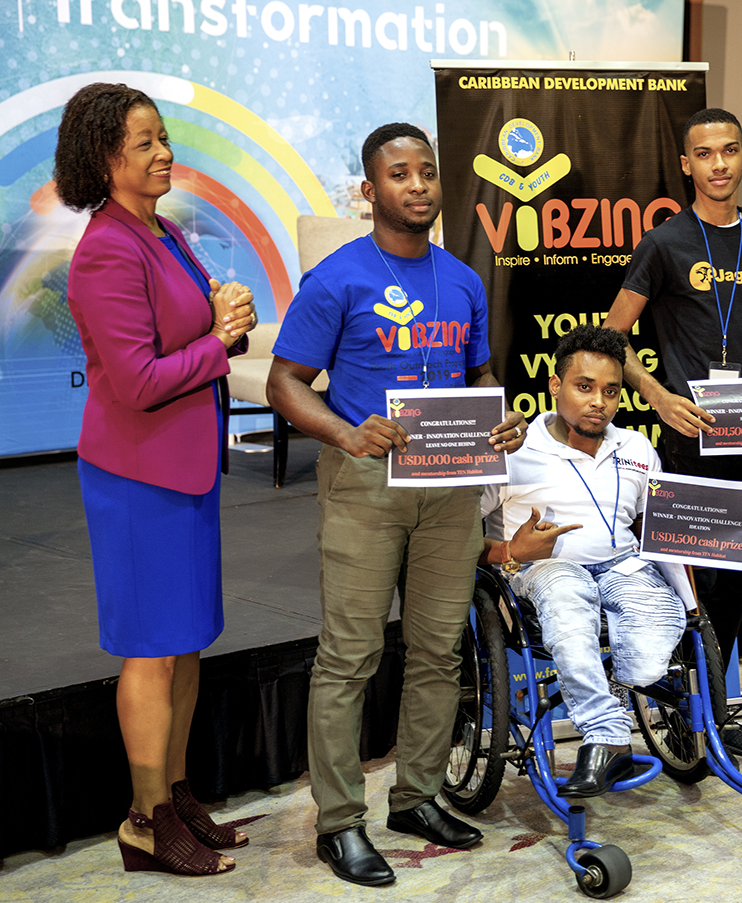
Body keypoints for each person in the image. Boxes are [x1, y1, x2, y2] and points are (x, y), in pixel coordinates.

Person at [265, 123, 527, 888]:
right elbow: (284, 384)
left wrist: (498, 416)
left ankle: (415, 796)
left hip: (449, 485)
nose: (417, 185)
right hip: (366, 483)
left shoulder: (464, 279)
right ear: (369, 190)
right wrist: (347, 433)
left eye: (427, 172)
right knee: (349, 657)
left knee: (439, 649)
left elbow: (479, 375)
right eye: (399, 174)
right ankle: (340, 822)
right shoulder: (338, 279)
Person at [55, 82, 258, 876]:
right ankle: (143, 820)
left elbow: (193, 327)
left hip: (183, 466)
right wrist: (220, 337)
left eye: (162, 137)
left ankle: (174, 796)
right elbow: (138, 379)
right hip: (137, 477)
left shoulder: (162, 230)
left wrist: (224, 313)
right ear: (104, 161)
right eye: (143, 143)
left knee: (186, 642)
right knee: (150, 650)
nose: (163, 151)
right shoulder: (106, 246)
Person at [480, 324, 742, 796]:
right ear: (555, 386)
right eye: (584, 387)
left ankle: (624, 690)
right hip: (545, 570)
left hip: (622, 565)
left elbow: (671, 526)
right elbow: (455, 542)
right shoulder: (514, 450)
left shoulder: (636, 447)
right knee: (567, 597)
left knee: (647, 652)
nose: (599, 401)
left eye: (611, 391)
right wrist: (512, 552)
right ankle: (606, 737)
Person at [604, 107, 742, 758]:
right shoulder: (664, 243)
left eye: (730, 151)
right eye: (705, 153)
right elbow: (612, 341)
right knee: (688, 577)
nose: (718, 163)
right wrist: (659, 396)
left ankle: (713, 709)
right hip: (689, 434)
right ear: (686, 164)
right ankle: (674, 702)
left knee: (738, 570)